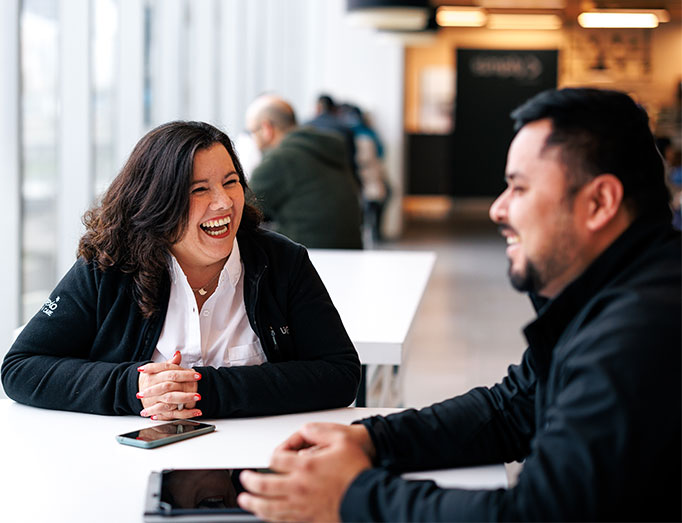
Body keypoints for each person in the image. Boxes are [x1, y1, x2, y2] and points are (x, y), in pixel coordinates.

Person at [237, 88, 681, 521]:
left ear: (599, 202)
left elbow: (539, 513)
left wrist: (351, 497)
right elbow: (512, 409)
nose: (498, 209)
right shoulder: (609, 295)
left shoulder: (639, 335)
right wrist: (372, 440)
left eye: (519, 189)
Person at [2, 121, 360, 420]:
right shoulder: (110, 266)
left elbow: (340, 374)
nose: (223, 202)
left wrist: (205, 390)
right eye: (199, 189)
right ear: (157, 202)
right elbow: (22, 367)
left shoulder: (282, 262)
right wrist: (135, 387)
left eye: (230, 181)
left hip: (256, 466)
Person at [245, 95, 363, 249]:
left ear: (267, 128)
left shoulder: (280, 159)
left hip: (307, 257)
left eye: (252, 131)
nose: (252, 139)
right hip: (351, 252)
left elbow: (243, 208)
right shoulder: (324, 146)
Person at [341, 103, 390, 244]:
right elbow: (381, 152)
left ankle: (371, 232)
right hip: (368, 174)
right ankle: (374, 233)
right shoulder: (367, 132)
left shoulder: (350, 131)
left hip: (361, 174)